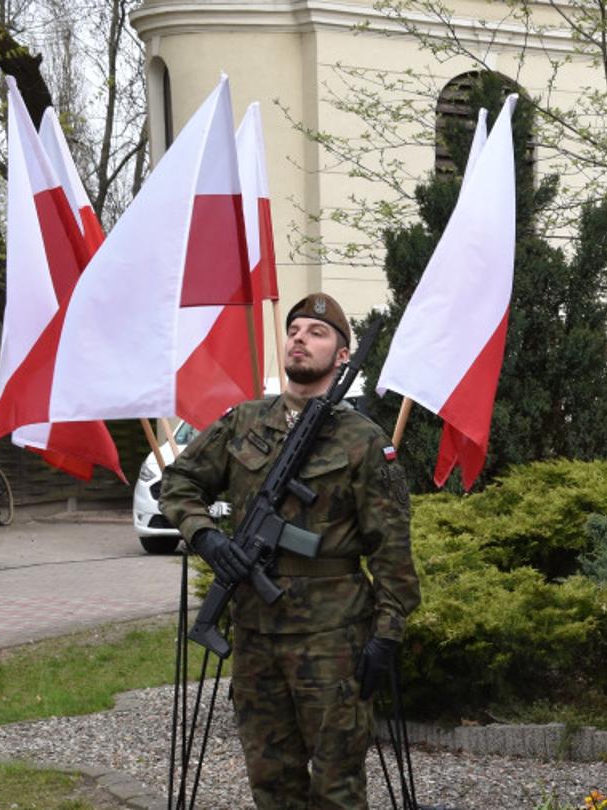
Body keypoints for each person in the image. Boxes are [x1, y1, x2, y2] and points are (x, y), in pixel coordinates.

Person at [160, 292, 420, 809]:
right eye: (294, 330)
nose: (300, 339)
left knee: (336, 787)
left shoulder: (363, 440)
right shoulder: (244, 421)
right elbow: (178, 483)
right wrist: (207, 537)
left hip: (333, 639)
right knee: (271, 783)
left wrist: (387, 636)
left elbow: (391, 548)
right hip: (256, 635)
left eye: (317, 333)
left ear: (342, 356)